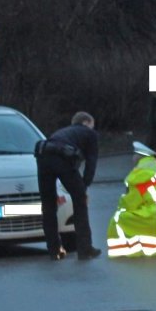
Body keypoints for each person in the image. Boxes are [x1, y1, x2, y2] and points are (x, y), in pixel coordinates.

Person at [36, 111, 102, 260]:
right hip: (62, 160)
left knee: (48, 205)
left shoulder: (63, 132)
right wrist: (84, 186)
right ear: (86, 123)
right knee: (80, 202)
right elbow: (91, 162)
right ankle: (85, 249)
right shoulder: (89, 134)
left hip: (43, 157)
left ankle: (54, 250)